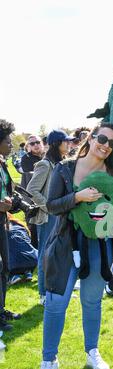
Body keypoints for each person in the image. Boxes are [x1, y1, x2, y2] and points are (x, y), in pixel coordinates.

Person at [36, 122, 113, 369]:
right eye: (102, 138)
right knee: (56, 303)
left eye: (112, 143)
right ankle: (49, 361)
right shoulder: (65, 168)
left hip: (99, 248)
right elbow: (51, 206)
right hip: (65, 247)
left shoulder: (112, 174)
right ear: (92, 138)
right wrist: (77, 197)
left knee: (92, 302)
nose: (106, 145)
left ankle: (92, 351)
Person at [27, 129, 75, 306]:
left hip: (60, 214)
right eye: (65, 141)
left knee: (59, 254)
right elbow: (32, 190)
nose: (69, 144)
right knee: (45, 256)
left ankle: (56, 290)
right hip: (48, 217)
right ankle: (43, 293)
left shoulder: (62, 163)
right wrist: (48, 206)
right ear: (57, 143)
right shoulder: (45, 164)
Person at [0, 119, 22, 333]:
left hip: (2, 221)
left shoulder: (2, 164)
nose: (10, 145)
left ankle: (1, 308)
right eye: (7, 141)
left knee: (5, 267)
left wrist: (11, 203)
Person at [21, 135, 45, 249]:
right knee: (33, 225)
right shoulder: (26, 158)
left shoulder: (46, 156)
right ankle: (35, 250)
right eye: (32, 143)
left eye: (37, 142)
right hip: (31, 197)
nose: (35, 145)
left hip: (45, 195)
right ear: (28, 147)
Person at [7, 214, 37, 285]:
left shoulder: (3, 228)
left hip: (15, 263)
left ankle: (12, 276)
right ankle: (28, 272)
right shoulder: (21, 225)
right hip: (33, 259)